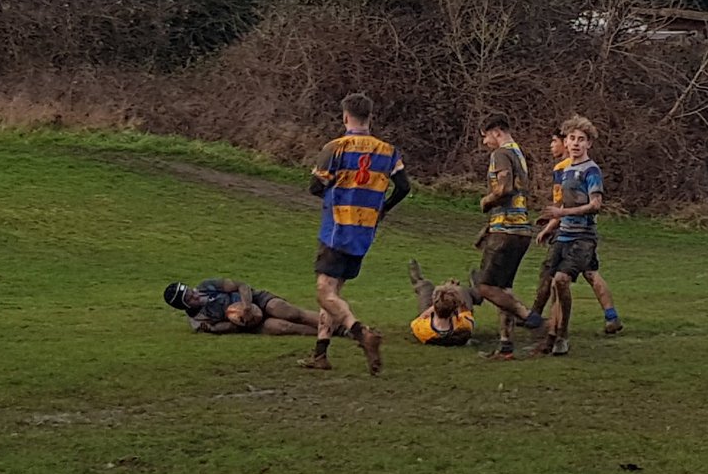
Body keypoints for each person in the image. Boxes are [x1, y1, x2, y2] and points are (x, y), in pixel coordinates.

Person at [301, 93, 411, 375]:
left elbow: (315, 186)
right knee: (335, 291)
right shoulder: (388, 151)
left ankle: (360, 332)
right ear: (370, 118)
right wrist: (383, 208)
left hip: (337, 228)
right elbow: (404, 187)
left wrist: (336, 193)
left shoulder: (335, 148)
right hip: (364, 232)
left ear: (345, 117)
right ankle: (320, 354)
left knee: (324, 292)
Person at [531, 127, 623, 336]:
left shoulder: (591, 171)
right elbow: (563, 203)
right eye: (572, 138)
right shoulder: (566, 169)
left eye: (581, 140)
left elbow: (595, 204)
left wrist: (560, 213)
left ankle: (548, 325)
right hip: (565, 233)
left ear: (588, 144)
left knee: (559, 280)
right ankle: (611, 317)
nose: (575, 143)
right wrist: (551, 224)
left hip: (582, 237)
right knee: (589, 274)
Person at [475, 113, 544, 360]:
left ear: (497, 132)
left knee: (485, 287)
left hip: (506, 229)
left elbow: (504, 189)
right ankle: (506, 345)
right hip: (522, 229)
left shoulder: (501, 154)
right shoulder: (519, 154)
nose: (485, 143)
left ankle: (530, 317)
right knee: (503, 288)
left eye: (486, 136)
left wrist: (486, 201)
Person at [163, 279, 323, 336]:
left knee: (289, 312)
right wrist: (219, 327)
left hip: (256, 300)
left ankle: (337, 323)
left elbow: (241, 285)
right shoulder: (198, 321)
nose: (195, 295)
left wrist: (246, 306)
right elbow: (227, 327)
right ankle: (328, 332)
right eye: (190, 298)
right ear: (184, 306)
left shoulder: (207, 286)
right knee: (284, 327)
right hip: (249, 323)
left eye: (191, 291)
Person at [408, 260, 480, 346]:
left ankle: (418, 281)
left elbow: (420, 318)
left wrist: (439, 301)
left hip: (431, 316)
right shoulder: (464, 326)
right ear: (454, 310)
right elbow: (464, 310)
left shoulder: (423, 329)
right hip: (448, 311)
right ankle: (477, 289)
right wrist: (454, 291)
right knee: (461, 290)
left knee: (426, 287)